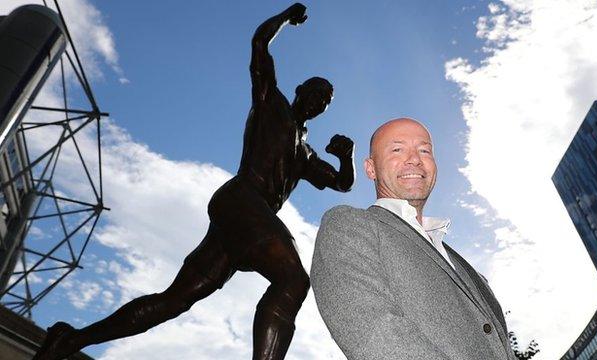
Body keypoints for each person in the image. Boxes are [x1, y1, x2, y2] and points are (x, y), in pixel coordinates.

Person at [34, 3, 355, 360]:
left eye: (326, 100)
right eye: (315, 91)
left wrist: (347, 156)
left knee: (176, 300)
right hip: (241, 200)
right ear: (299, 89)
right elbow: (260, 44)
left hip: (244, 221)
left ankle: (70, 340)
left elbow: (342, 184)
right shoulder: (271, 103)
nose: (319, 100)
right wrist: (285, 17)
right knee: (293, 279)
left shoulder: (306, 154)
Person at [311, 118, 516, 359]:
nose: (415, 159)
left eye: (424, 150)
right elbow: (375, 333)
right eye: (397, 149)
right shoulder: (349, 226)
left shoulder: (467, 268)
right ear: (370, 168)